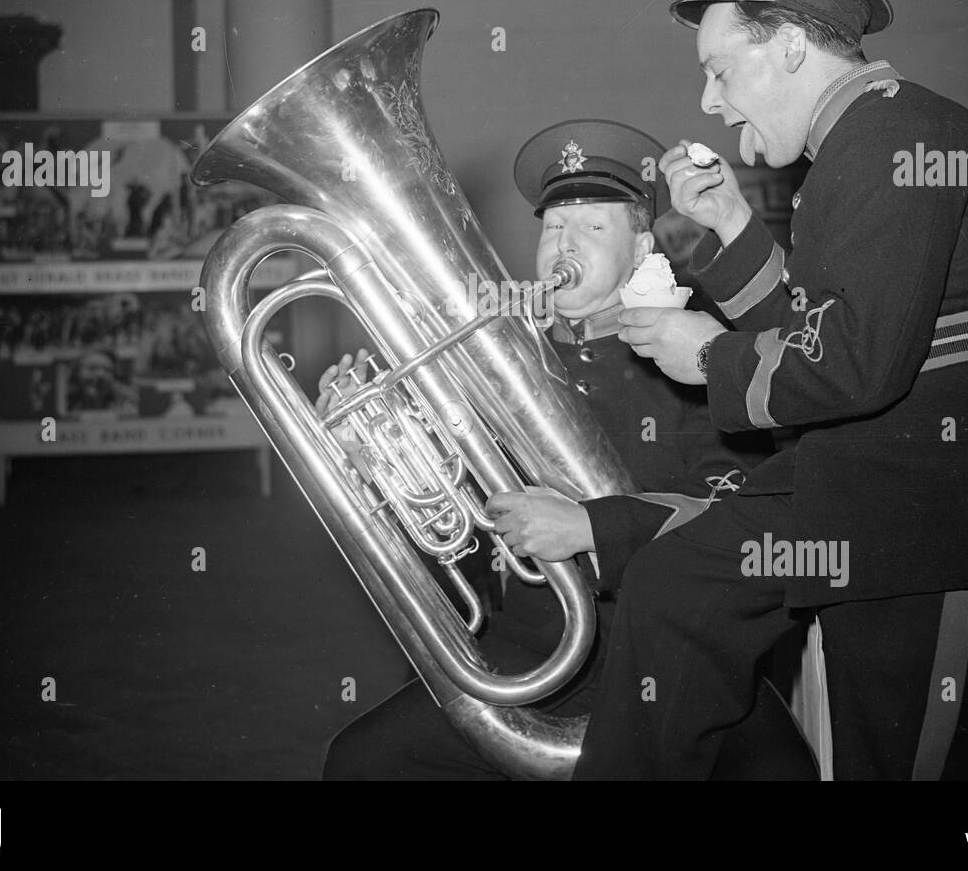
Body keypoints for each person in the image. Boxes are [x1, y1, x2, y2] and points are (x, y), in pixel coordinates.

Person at [493, 0, 968, 780]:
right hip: (894, 493)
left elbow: (856, 362)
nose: (713, 104)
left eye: (721, 72)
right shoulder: (865, 142)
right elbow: (816, 332)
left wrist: (708, 355)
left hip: (954, 528)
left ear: (791, 47)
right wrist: (728, 225)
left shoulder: (888, 139)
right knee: (676, 590)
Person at [320, 119, 811, 780]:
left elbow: (737, 520)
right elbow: (446, 537)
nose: (563, 244)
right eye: (553, 226)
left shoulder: (696, 355)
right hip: (527, 667)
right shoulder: (478, 365)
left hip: (671, 663)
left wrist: (591, 526)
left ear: (640, 247)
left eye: (591, 227)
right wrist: (372, 453)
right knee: (361, 764)